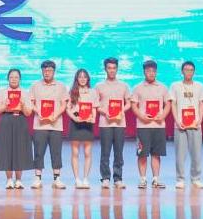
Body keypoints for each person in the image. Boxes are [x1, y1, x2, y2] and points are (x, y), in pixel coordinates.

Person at [29, 60, 69, 189]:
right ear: (42, 71)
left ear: (54, 71)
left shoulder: (61, 86)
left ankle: (57, 179)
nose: (47, 73)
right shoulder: (35, 85)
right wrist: (38, 112)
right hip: (39, 124)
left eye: (50, 70)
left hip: (56, 125)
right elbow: (31, 103)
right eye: (45, 70)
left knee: (56, 152)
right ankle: (37, 178)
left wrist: (55, 115)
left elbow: (64, 104)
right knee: (38, 152)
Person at [130, 60, 168, 190]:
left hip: (158, 126)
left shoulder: (163, 87)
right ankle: (143, 179)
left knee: (156, 154)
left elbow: (168, 104)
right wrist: (141, 116)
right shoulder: (137, 88)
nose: (151, 73)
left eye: (153, 71)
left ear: (156, 72)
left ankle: (156, 179)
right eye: (148, 71)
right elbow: (134, 105)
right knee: (142, 154)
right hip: (143, 126)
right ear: (144, 72)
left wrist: (162, 116)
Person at [169, 61, 203, 189]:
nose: (189, 72)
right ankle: (180, 179)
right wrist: (177, 120)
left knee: (196, 154)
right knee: (180, 154)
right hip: (180, 125)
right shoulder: (175, 86)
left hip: (195, 124)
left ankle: (196, 179)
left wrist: (199, 120)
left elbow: (201, 104)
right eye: (186, 70)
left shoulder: (200, 86)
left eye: (191, 70)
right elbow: (173, 104)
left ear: (194, 72)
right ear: (182, 71)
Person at [0, 68, 34, 188]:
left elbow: (28, 113)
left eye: (16, 77)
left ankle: (19, 180)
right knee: (6, 149)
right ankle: (9, 179)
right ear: (8, 79)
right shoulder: (2, 93)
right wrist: (5, 106)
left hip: (21, 121)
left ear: (20, 79)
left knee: (20, 149)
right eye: (11, 77)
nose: (14, 79)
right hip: (6, 120)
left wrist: (22, 105)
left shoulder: (25, 93)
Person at [95, 57, 130, 189]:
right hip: (105, 123)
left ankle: (118, 178)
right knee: (105, 152)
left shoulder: (124, 86)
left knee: (119, 152)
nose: (112, 70)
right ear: (105, 69)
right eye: (109, 68)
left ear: (117, 69)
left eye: (114, 68)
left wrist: (121, 110)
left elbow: (128, 103)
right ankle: (105, 178)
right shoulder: (99, 86)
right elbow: (96, 105)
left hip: (120, 123)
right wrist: (105, 112)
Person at [68, 68, 99, 189]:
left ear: (88, 79)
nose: (82, 79)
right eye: (80, 77)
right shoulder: (72, 92)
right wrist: (74, 118)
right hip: (75, 123)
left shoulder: (93, 92)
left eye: (84, 77)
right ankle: (77, 179)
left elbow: (94, 108)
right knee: (75, 153)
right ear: (77, 79)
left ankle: (86, 178)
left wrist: (93, 118)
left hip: (88, 124)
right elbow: (68, 109)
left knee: (87, 153)